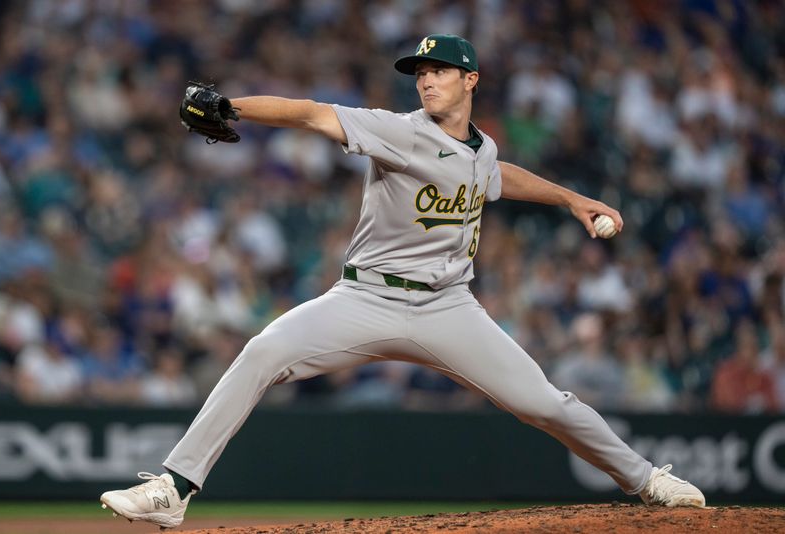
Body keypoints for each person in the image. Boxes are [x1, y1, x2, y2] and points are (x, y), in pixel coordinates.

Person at [100, 34, 705, 528]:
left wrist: (573, 199)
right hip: (365, 297)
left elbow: (499, 174)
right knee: (262, 352)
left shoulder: (481, 149)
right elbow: (313, 113)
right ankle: (174, 487)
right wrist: (234, 107)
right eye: (420, 71)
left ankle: (647, 478)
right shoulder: (400, 130)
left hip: (449, 308)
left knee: (544, 402)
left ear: (471, 80)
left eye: (440, 69)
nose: (426, 79)